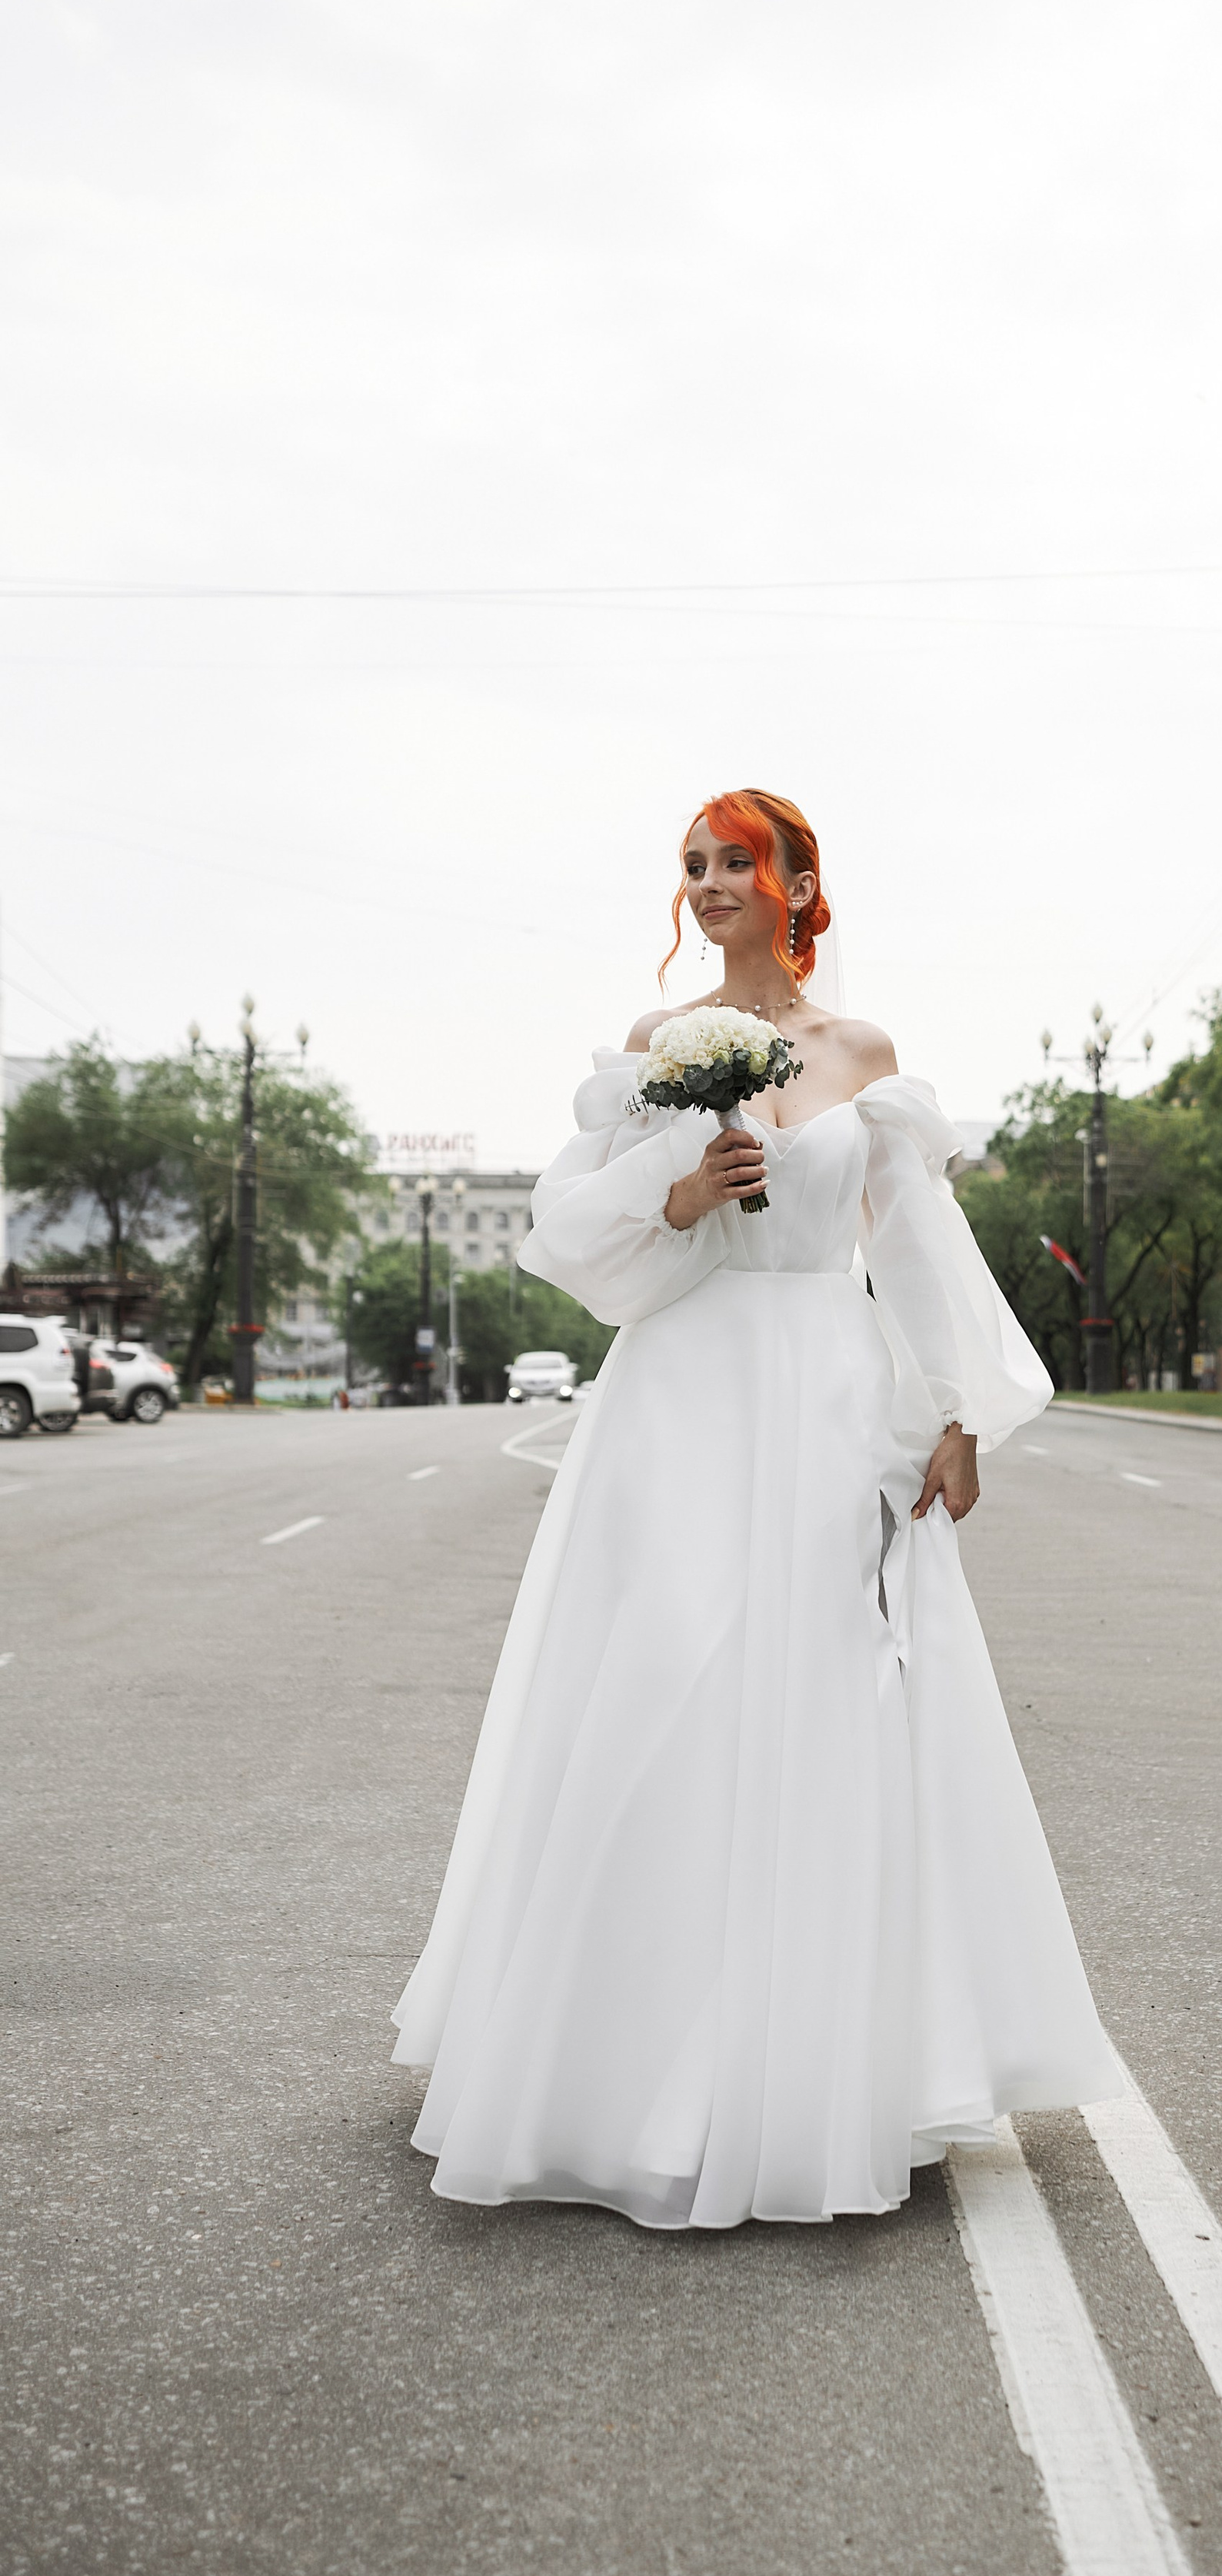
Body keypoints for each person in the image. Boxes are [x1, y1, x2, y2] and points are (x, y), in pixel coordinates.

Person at [392, 787, 1117, 2228]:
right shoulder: (658, 1049)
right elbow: (573, 1239)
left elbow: (915, 1245)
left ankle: (816, 2066)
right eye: (694, 866)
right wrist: (678, 1200)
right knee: (664, 1681)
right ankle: (618, 2066)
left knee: (826, 1698)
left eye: (738, 860)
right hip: (681, 1404)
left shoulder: (865, 1056)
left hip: (832, 1399)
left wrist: (958, 1412)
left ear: (797, 881)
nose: (712, 882)